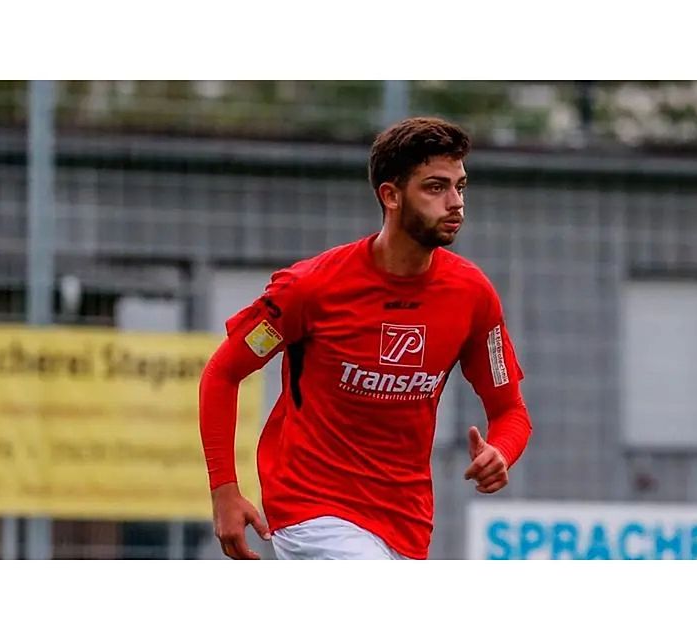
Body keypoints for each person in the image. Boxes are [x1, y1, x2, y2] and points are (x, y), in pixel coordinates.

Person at [198, 116, 533, 560]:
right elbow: (222, 373)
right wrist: (224, 491)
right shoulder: (309, 288)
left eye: (461, 187)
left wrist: (502, 452)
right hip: (310, 508)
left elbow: (510, 410)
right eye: (435, 187)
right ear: (390, 196)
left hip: (406, 521)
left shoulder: (473, 296)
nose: (455, 203)